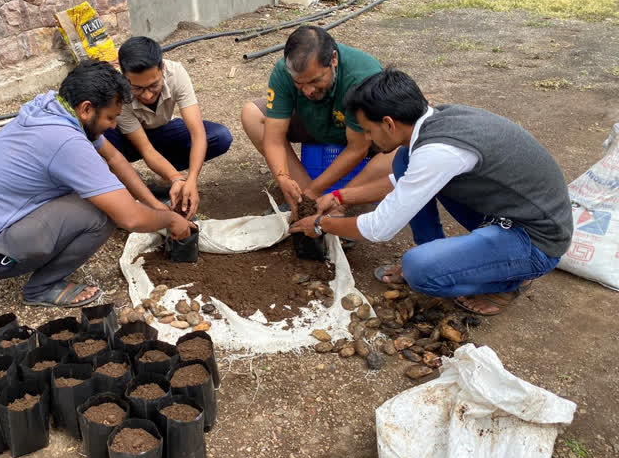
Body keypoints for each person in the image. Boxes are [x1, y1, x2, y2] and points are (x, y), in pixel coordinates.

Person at [290, 69, 573, 316]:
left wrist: (320, 224)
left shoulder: (438, 151)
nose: (368, 139)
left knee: (419, 270)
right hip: (511, 213)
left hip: (536, 240)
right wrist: (341, 197)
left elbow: (378, 229)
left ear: (388, 123)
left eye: (368, 130)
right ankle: (441, 253)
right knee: (403, 160)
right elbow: (408, 181)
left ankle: (509, 283)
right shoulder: (436, 120)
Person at [0, 60, 195, 308]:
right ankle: (42, 287)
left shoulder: (55, 108)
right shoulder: (65, 142)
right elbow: (129, 217)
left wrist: (154, 205)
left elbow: (113, 157)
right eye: (110, 117)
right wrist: (171, 220)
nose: (113, 126)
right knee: (103, 212)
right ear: (87, 109)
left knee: (98, 194)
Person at [241, 25, 389, 220]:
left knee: (401, 145)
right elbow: (274, 139)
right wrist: (282, 177)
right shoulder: (284, 72)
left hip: (363, 136)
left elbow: (357, 148)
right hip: (316, 124)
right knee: (251, 114)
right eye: (299, 84)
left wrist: (316, 188)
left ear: (333, 59)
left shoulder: (362, 76)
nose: (308, 91)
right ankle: (305, 199)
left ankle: (339, 202)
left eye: (315, 81)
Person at [104, 36, 233, 219]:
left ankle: (163, 176)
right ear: (125, 78)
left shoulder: (176, 73)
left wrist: (190, 180)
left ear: (162, 69)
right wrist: (176, 177)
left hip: (163, 130)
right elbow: (146, 149)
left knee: (219, 136)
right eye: (138, 89)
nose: (148, 95)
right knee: (101, 141)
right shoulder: (119, 92)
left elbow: (197, 134)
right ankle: (122, 185)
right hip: (129, 140)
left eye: (153, 85)